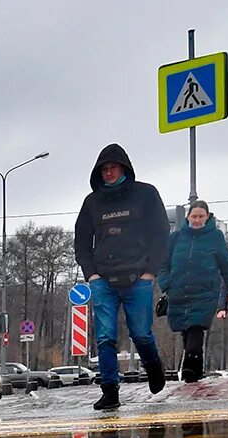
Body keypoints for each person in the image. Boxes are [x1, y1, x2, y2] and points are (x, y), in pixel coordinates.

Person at [73, 144, 169, 411]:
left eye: (113, 167)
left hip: (138, 277)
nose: (109, 173)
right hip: (103, 279)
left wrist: (151, 271)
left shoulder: (146, 195)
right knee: (105, 337)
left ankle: (153, 367)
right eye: (104, 169)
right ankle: (110, 391)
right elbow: (81, 242)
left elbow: (161, 235)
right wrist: (91, 274)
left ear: (123, 168)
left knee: (141, 333)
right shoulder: (91, 203)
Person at [157, 200, 228, 382]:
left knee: (196, 325)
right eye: (194, 216)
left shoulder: (215, 237)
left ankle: (189, 366)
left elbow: (227, 265)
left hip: (205, 291)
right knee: (186, 329)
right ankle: (196, 368)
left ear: (207, 217)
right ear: (188, 217)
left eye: (201, 216)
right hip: (178, 290)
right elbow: (163, 263)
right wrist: (166, 283)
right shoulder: (176, 238)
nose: (197, 220)